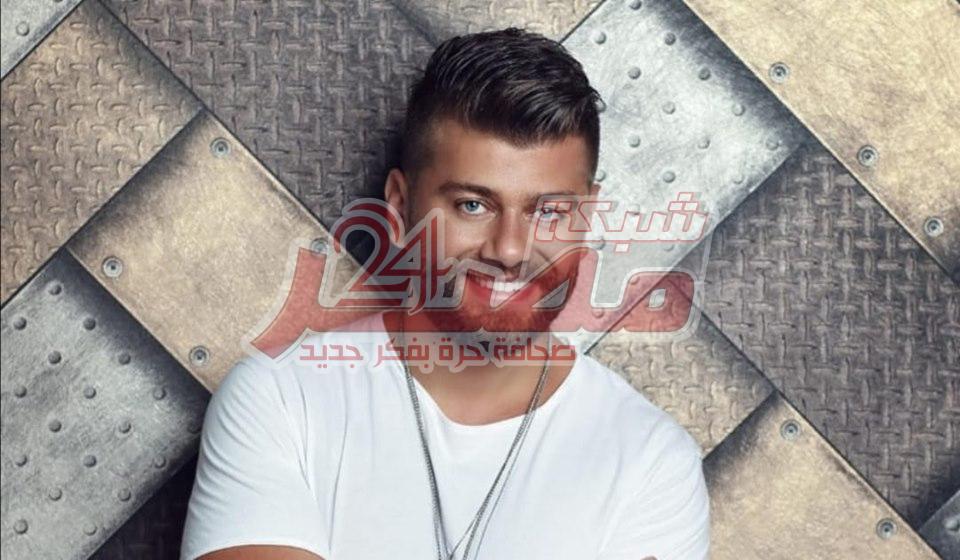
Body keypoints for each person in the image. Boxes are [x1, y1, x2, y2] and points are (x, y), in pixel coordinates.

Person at [180, 27, 709, 560]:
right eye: (472, 205)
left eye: (549, 211)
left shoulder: (651, 461)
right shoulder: (280, 401)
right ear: (398, 206)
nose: (509, 250)